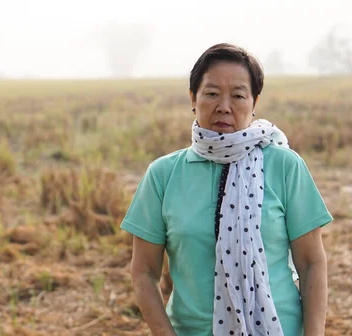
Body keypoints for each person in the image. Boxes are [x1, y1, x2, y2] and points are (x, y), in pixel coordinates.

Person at [121, 43, 333, 336]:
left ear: (254, 102)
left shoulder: (285, 166)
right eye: (211, 93)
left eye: (237, 95)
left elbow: (311, 262)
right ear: (193, 99)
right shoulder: (163, 175)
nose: (224, 106)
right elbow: (144, 272)